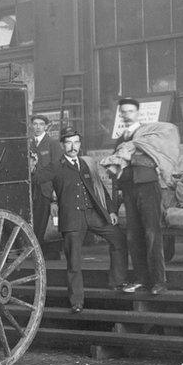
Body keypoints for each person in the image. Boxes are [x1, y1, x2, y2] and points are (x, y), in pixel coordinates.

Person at [33, 128, 129, 311]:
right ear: (63, 145)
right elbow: (37, 178)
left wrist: (111, 211)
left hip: (93, 214)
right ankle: (77, 302)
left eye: (76, 142)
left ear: (80, 144)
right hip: (72, 219)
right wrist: (32, 164)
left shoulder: (86, 164)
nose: (73, 146)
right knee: (74, 261)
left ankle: (117, 281)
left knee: (118, 239)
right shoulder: (56, 166)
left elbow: (99, 188)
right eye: (68, 143)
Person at [111, 98, 176, 295]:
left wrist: (132, 155)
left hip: (148, 186)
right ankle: (142, 279)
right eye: (123, 112)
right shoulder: (120, 138)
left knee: (152, 234)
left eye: (130, 111)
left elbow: (157, 155)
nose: (126, 115)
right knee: (133, 236)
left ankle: (159, 281)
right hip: (129, 189)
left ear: (138, 113)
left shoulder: (149, 134)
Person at [28, 114, 63, 247]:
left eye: (41, 124)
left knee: (42, 222)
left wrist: (54, 194)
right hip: (31, 189)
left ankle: (40, 250)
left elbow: (56, 169)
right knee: (33, 220)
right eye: (35, 124)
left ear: (46, 126)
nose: (37, 127)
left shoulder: (52, 143)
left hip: (46, 189)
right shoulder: (29, 143)